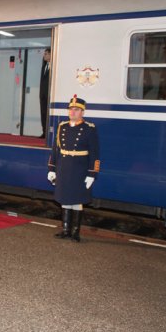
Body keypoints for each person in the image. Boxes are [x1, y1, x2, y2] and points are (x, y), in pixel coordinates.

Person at [47, 95, 100, 242]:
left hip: (80, 168)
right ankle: (65, 230)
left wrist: (92, 173)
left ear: (82, 112)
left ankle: (75, 232)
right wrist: (51, 168)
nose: (72, 112)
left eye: (76, 110)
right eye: (71, 109)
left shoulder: (89, 129)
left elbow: (95, 153)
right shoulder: (62, 127)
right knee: (65, 199)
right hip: (64, 167)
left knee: (77, 200)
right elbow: (55, 149)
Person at [39, 48, 51, 138]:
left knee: (48, 114)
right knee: (43, 113)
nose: (44, 55)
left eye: (46, 54)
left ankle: (49, 133)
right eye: (44, 54)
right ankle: (44, 132)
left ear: (51, 55)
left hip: (49, 95)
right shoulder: (44, 66)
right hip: (42, 94)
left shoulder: (54, 66)